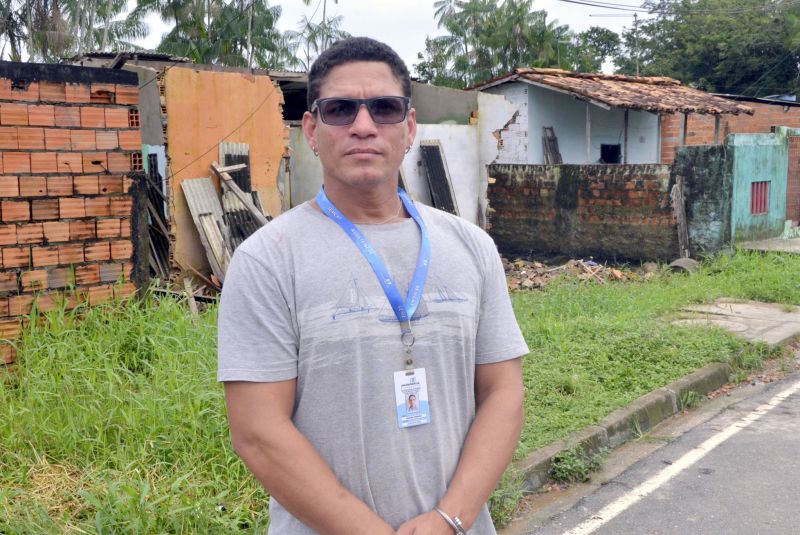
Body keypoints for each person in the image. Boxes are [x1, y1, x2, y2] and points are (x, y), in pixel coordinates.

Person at [218, 36, 529, 535]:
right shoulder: (268, 260)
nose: (363, 126)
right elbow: (258, 432)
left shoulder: (471, 247)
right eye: (340, 109)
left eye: (384, 108)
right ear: (313, 130)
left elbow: (503, 394)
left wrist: (451, 519)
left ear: (408, 127)